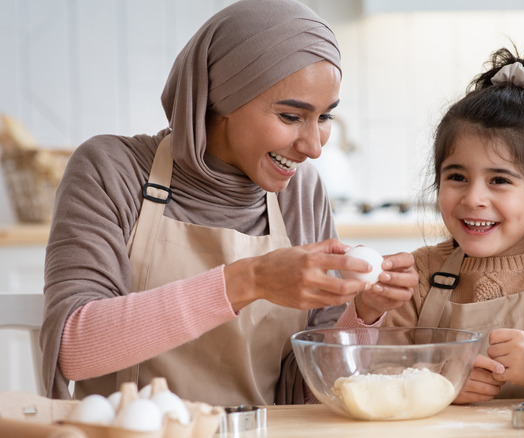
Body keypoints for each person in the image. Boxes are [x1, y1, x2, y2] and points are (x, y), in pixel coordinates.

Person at [39, 0, 416, 405]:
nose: (313, 148)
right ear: (219, 100)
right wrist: (250, 281)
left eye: (324, 118)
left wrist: (363, 314)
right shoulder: (113, 170)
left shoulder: (300, 192)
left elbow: (310, 390)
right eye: (291, 117)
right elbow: (73, 351)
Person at [344, 45, 524, 402]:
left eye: (499, 180)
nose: (473, 198)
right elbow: (371, 375)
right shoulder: (418, 275)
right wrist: (438, 383)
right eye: (457, 177)